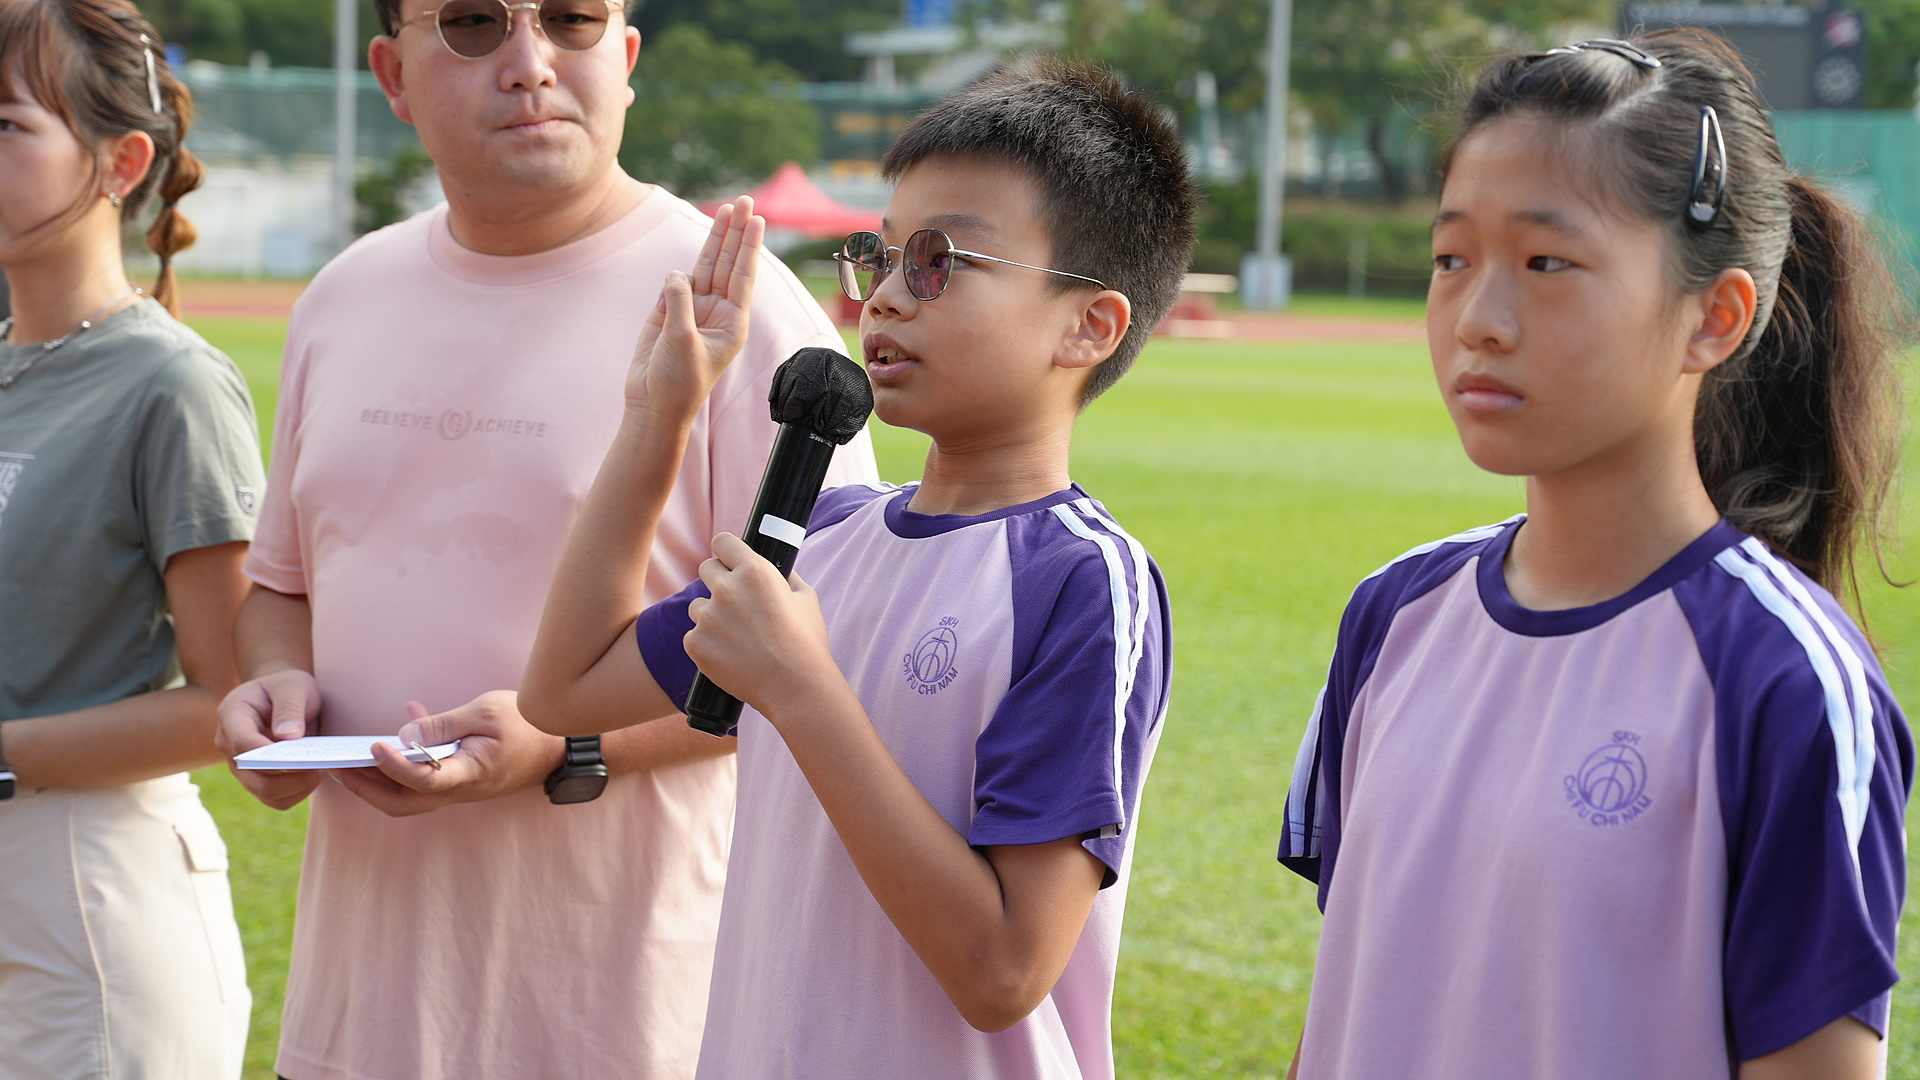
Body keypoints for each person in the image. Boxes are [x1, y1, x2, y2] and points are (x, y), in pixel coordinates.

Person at [212, 0, 875, 1077]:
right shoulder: (342, 296)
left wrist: (567, 747)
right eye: (473, 24)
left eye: (570, 19)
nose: (529, 63)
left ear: (626, 54)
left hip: (631, 1021)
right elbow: (281, 588)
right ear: (391, 73)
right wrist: (276, 689)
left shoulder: (736, 305)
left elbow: (827, 654)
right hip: (355, 1019)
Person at [518, 58, 1194, 1078]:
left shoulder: (1080, 579)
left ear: (1087, 326)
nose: (883, 298)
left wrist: (799, 688)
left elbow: (1003, 971)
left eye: (937, 262)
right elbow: (564, 688)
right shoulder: (824, 533)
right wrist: (658, 418)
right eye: (878, 258)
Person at [1276, 30, 1911, 1080]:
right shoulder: (1394, 614)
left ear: (1715, 317)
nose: (1478, 321)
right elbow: (1352, 996)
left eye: (1546, 263)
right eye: (1451, 259)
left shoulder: (1783, 678)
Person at [0, 1, 258, 1076]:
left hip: (88, 897)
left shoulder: (172, 384)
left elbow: (231, 701)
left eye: (6, 123)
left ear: (121, 162)